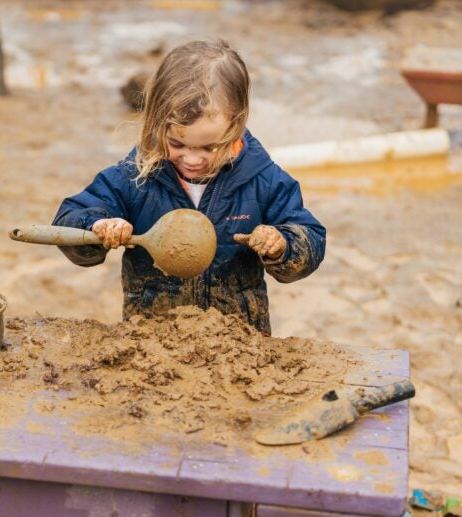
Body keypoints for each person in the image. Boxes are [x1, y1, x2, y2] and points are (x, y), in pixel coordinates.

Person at [52, 40, 325, 334]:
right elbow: (68, 223)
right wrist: (98, 227)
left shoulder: (264, 181)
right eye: (177, 144)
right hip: (152, 340)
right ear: (156, 124)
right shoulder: (135, 178)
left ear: (237, 124)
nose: (193, 159)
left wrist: (281, 245)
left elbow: (310, 238)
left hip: (239, 344)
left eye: (209, 147)